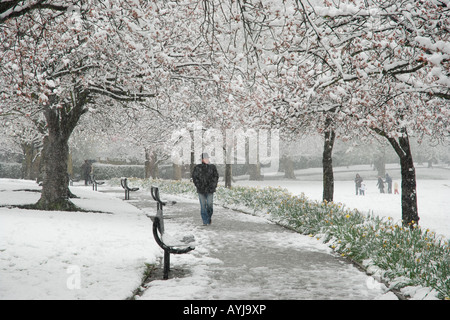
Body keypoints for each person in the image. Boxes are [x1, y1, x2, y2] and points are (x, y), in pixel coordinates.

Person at [192, 153, 219, 226]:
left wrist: (213, 185)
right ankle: (205, 221)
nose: (206, 159)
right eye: (205, 158)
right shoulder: (197, 168)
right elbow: (195, 178)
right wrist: (198, 185)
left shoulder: (212, 167)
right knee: (203, 206)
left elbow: (216, 177)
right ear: (202, 159)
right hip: (201, 190)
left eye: (207, 158)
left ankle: (209, 217)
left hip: (210, 189)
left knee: (210, 205)